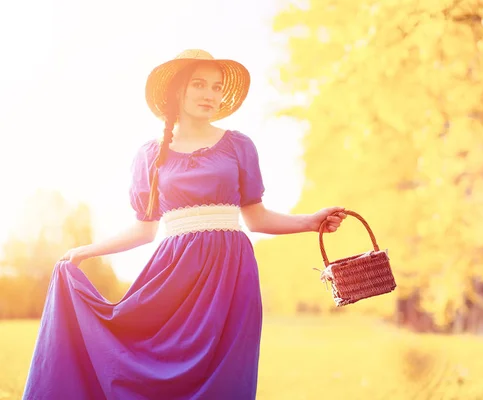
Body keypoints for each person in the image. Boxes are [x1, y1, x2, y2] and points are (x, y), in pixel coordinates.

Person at [22, 49, 346, 400]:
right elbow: (144, 229)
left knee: (225, 379)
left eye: (217, 87)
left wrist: (310, 222)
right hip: (173, 277)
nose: (210, 94)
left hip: (231, 276)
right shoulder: (150, 155)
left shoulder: (239, 146)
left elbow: (256, 218)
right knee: (154, 367)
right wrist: (87, 251)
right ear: (178, 90)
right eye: (199, 85)